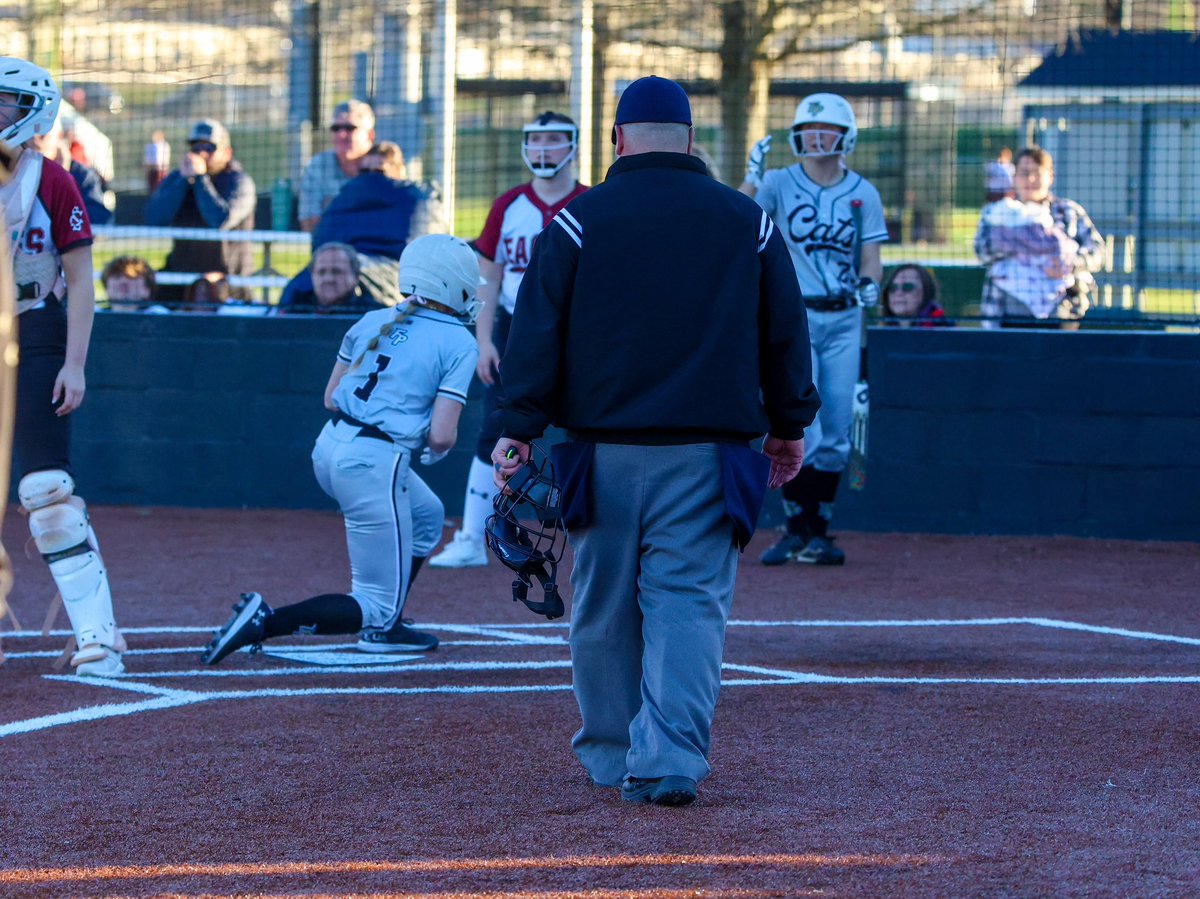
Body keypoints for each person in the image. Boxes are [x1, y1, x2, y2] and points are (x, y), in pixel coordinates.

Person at [491, 77, 818, 807]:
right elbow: (785, 335)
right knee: (688, 606)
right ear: (693, 139)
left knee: (603, 607)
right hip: (711, 454)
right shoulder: (747, 221)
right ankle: (669, 758)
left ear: (615, 141)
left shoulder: (578, 221)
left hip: (598, 456)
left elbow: (536, 334)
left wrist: (513, 430)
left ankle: (611, 757)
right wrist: (789, 427)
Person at [200, 234, 482, 664]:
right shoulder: (459, 341)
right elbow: (443, 436)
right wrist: (428, 440)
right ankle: (267, 621)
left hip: (330, 447)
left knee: (427, 518)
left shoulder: (372, 319)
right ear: (453, 283)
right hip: (372, 463)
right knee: (373, 604)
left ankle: (389, 622)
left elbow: (331, 398)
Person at [0, 57, 125, 676]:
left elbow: (80, 282)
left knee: (45, 492)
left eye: (3, 103)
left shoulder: (53, 182)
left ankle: (99, 636)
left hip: (35, 330)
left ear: (32, 112)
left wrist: (74, 364)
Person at [428, 111, 588, 569]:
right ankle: (472, 537)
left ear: (573, 147)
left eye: (554, 141)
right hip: (515, 329)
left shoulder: (591, 202)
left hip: (576, 330)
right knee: (493, 429)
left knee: (590, 430)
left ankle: (594, 536)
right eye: (536, 140)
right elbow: (489, 278)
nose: (544, 150)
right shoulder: (507, 205)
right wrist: (483, 340)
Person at [740, 92, 888, 566]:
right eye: (808, 129)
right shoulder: (779, 183)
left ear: (846, 137)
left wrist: (870, 285)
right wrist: (750, 179)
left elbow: (871, 257)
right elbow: (738, 224)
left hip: (846, 317)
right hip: (795, 316)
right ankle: (792, 527)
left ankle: (818, 530)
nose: (815, 137)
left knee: (840, 432)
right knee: (809, 428)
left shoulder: (863, 192)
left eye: (826, 130)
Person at [974, 146, 1105, 327]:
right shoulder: (997, 213)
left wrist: (1069, 264)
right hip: (1006, 315)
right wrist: (1017, 241)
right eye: (1024, 172)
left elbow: (1097, 252)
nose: (1030, 179)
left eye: (1037, 172)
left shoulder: (1069, 211)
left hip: (1062, 315)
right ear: (1014, 176)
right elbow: (981, 251)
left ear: (1050, 176)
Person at [144, 118, 257, 304]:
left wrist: (201, 179)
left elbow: (220, 220)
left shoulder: (239, 182)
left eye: (210, 148)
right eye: (195, 148)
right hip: (181, 280)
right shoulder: (179, 178)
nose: (202, 154)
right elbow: (154, 218)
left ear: (227, 153)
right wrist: (183, 181)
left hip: (228, 283)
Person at [297, 99, 376, 232]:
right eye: (335, 128)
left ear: (369, 135)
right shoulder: (318, 165)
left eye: (350, 128)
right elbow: (309, 223)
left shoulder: (385, 164)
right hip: (330, 248)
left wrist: (332, 206)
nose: (341, 134)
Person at [28, 115, 111, 224]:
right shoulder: (17, 169)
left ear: (59, 136)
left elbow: (97, 217)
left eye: (44, 132)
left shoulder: (82, 175)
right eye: (32, 131)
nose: (37, 138)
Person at [276, 242, 379, 315]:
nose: (328, 279)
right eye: (321, 272)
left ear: (355, 277)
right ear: (312, 276)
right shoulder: (292, 311)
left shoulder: (371, 315)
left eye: (337, 271)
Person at [880, 264, 950, 326]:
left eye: (907, 287)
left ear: (926, 292)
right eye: (893, 288)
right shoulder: (878, 333)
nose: (898, 293)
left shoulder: (944, 329)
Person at [100, 255, 170, 313]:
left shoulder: (160, 315)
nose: (123, 281)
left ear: (146, 290)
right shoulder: (94, 316)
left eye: (131, 277)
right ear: (107, 287)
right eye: (117, 276)